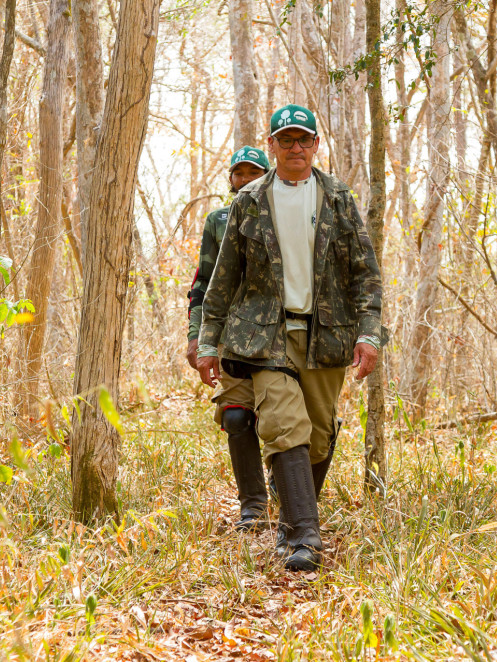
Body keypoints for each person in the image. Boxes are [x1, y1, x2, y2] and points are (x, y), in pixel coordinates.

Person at [196, 105, 384, 572]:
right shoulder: (250, 201)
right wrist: (205, 342)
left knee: (318, 437)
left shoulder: (338, 197)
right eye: (287, 140)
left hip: (326, 334)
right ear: (273, 145)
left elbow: (364, 273)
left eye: (304, 140)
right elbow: (221, 280)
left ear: (316, 145)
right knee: (283, 424)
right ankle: (304, 536)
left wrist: (370, 333)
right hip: (263, 337)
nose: (296, 148)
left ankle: (291, 519)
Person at [186, 146, 271, 531]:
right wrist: (197, 338)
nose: (245, 180)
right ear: (230, 179)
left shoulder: (284, 215)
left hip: (282, 339)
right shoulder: (218, 220)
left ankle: (293, 501)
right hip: (232, 337)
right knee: (237, 417)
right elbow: (202, 284)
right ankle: (253, 505)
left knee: (286, 420)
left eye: (253, 173)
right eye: (239, 173)